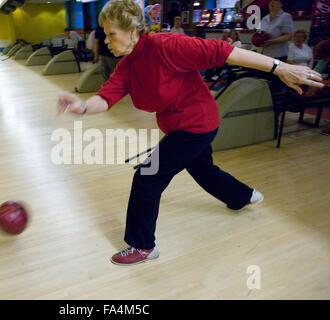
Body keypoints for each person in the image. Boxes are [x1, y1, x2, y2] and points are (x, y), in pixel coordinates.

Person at [57, 0, 324, 266]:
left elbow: (226, 51)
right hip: (178, 127)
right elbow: (105, 98)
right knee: (203, 170)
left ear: (132, 30)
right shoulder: (128, 66)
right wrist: (81, 107)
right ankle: (243, 195)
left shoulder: (167, 45)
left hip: (197, 124)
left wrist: (280, 68)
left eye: (111, 33)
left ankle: (143, 246)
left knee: (147, 176)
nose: (106, 40)